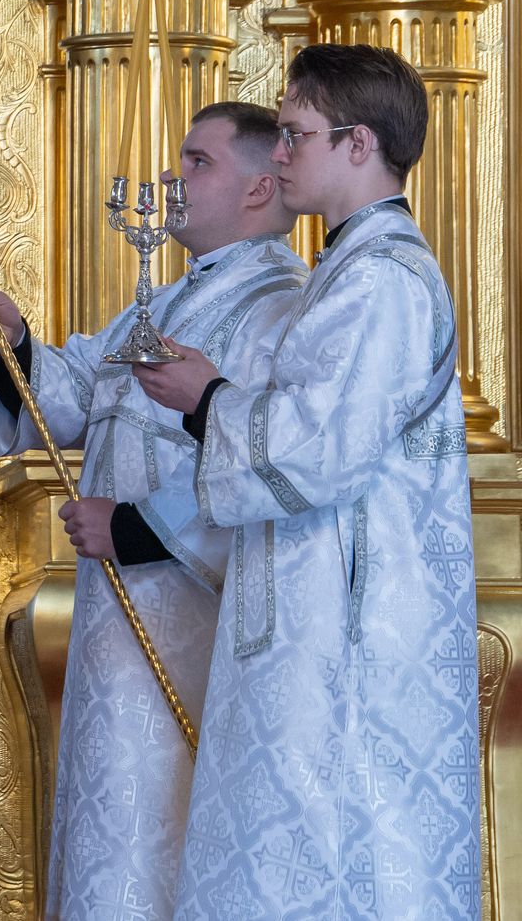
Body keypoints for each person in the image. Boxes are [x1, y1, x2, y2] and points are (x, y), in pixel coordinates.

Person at [135, 45, 482, 916]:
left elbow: (321, 447)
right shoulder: (351, 268)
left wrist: (209, 396)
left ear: (359, 143)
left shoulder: (382, 279)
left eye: (296, 135)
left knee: (332, 860)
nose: (281, 152)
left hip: (350, 639)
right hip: (314, 616)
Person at [0, 101, 305, 919]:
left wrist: (133, 526)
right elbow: (77, 391)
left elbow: (271, 461)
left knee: (166, 829)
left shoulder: (283, 309)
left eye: (198, 163)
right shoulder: (174, 296)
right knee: (112, 823)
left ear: (260, 188)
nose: (172, 180)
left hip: (189, 621)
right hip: (116, 618)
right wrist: (14, 343)